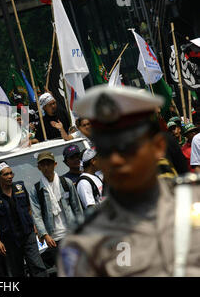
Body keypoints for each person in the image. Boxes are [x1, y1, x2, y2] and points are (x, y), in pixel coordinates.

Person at [57, 85, 200, 276]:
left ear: (158, 147)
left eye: (126, 146)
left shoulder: (195, 203)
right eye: (106, 150)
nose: (115, 159)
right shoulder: (86, 242)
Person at [0, 162, 47, 277]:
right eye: (5, 174)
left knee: (37, 266)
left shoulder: (20, 187)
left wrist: (35, 227)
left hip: (28, 235)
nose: (10, 176)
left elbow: (29, 208)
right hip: (9, 240)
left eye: (11, 173)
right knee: (17, 271)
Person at [28, 152, 83, 272]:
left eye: (49, 164)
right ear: (39, 167)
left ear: (55, 164)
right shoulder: (36, 190)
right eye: (43, 165)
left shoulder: (66, 182)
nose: (46, 167)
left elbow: (77, 207)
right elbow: (36, 215)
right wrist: (45, 235)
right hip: (54, 237)